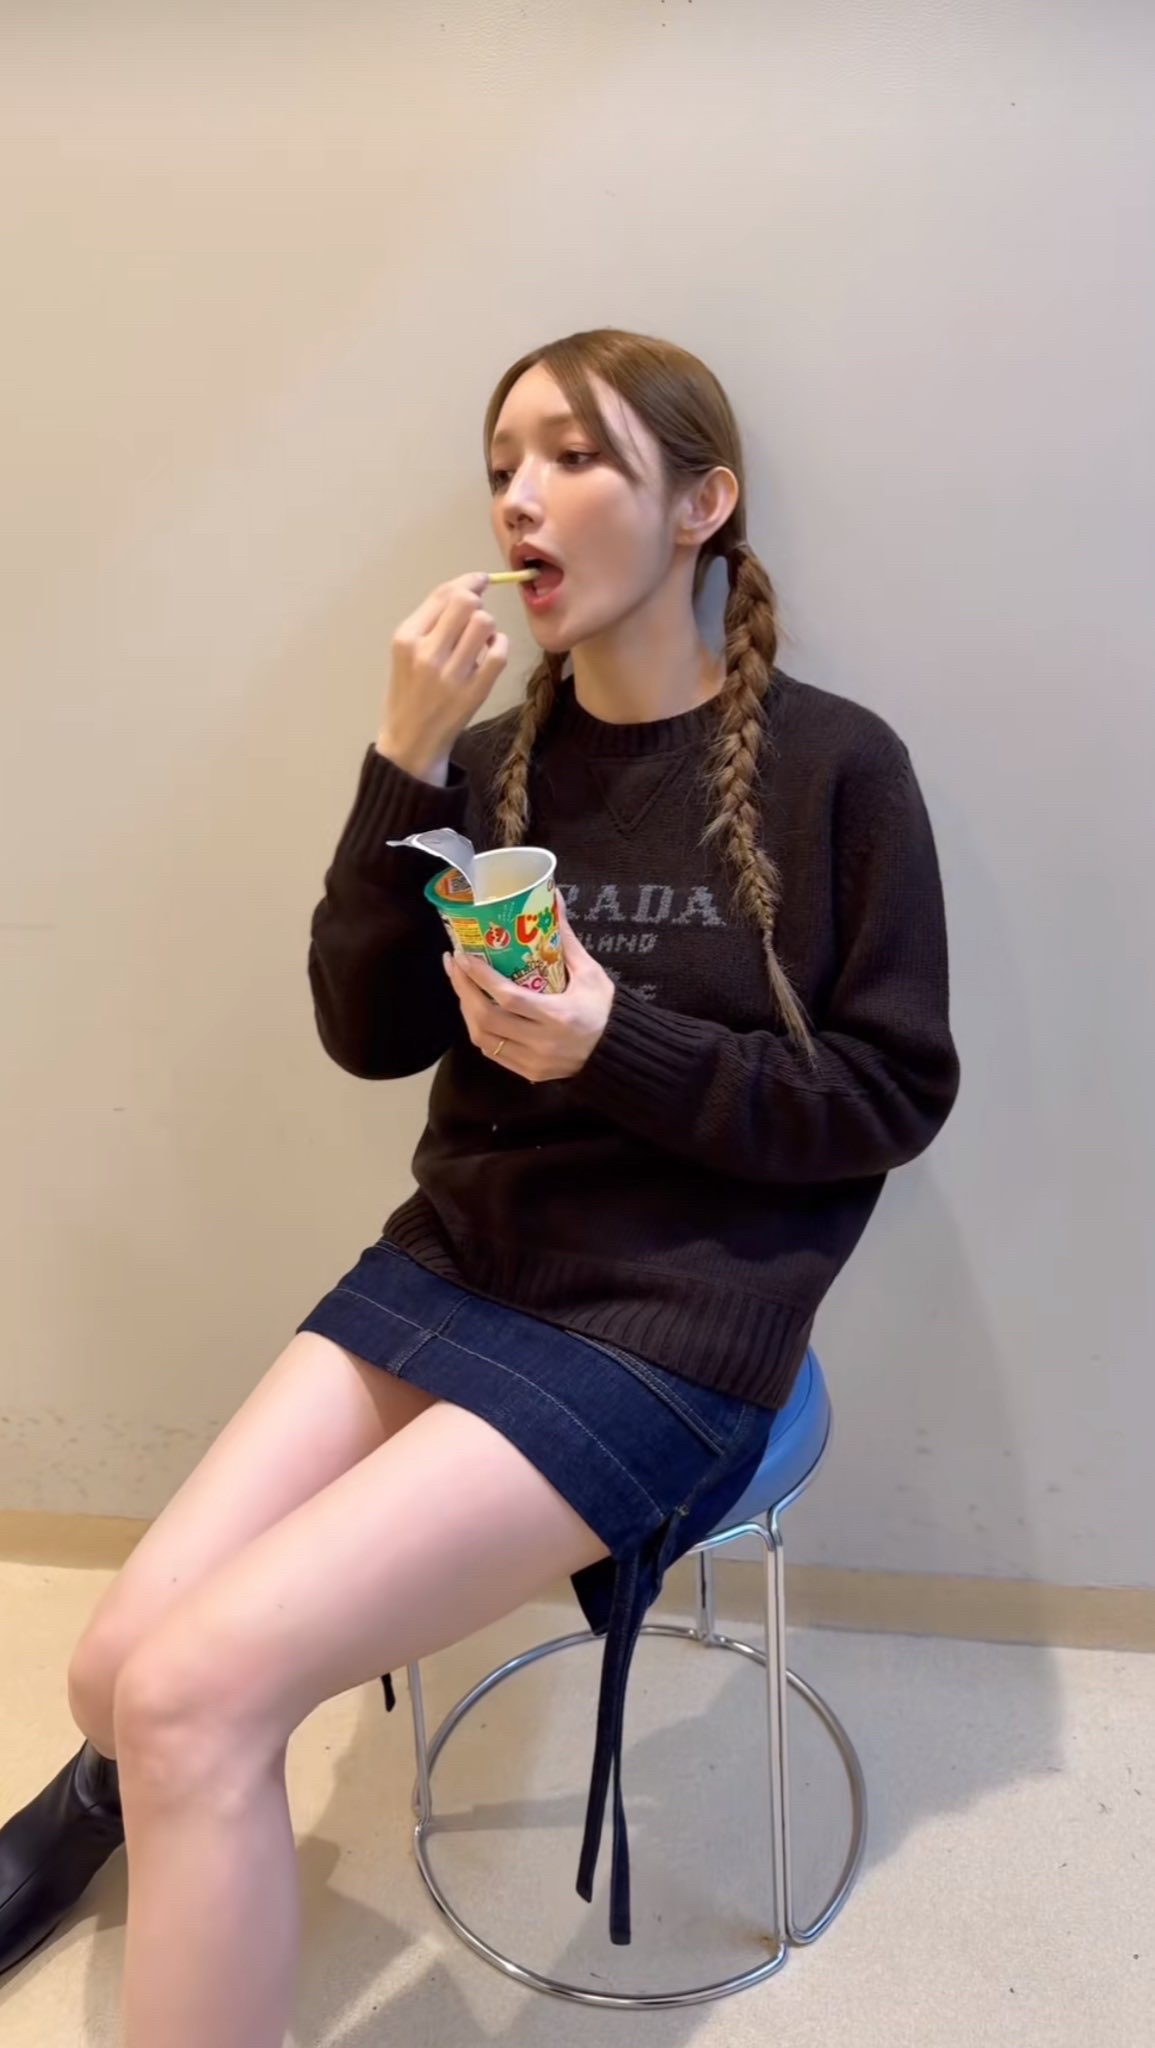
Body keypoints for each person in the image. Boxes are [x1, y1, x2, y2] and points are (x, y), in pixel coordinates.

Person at [0, 328, 960, 2044]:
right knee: (108, 1673)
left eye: (574, 456)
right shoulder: (499, 757)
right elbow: (367, 1037)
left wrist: (612, 1043)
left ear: (701, 505)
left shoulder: (838, 770)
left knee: (195, 1696)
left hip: (673, 1317)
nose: (520, 495)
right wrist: (404, 755)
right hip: (460, 1260)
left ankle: (162, 1775)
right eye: (502, 462)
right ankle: (111, 1794)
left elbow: (889, 1097)